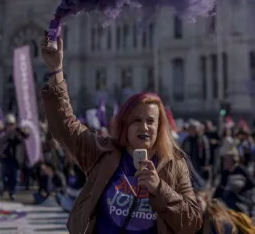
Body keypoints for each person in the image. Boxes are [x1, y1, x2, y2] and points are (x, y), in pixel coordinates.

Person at [40, 33, 202, 234]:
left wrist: (159, 187)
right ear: (125, 124)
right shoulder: (103, 153)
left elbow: (192, 222)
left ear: (160, 126)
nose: (144, 127)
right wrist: (56, 70)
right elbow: (65, 126)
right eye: (136, 120)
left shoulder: (174, 164)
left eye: (150, 121)